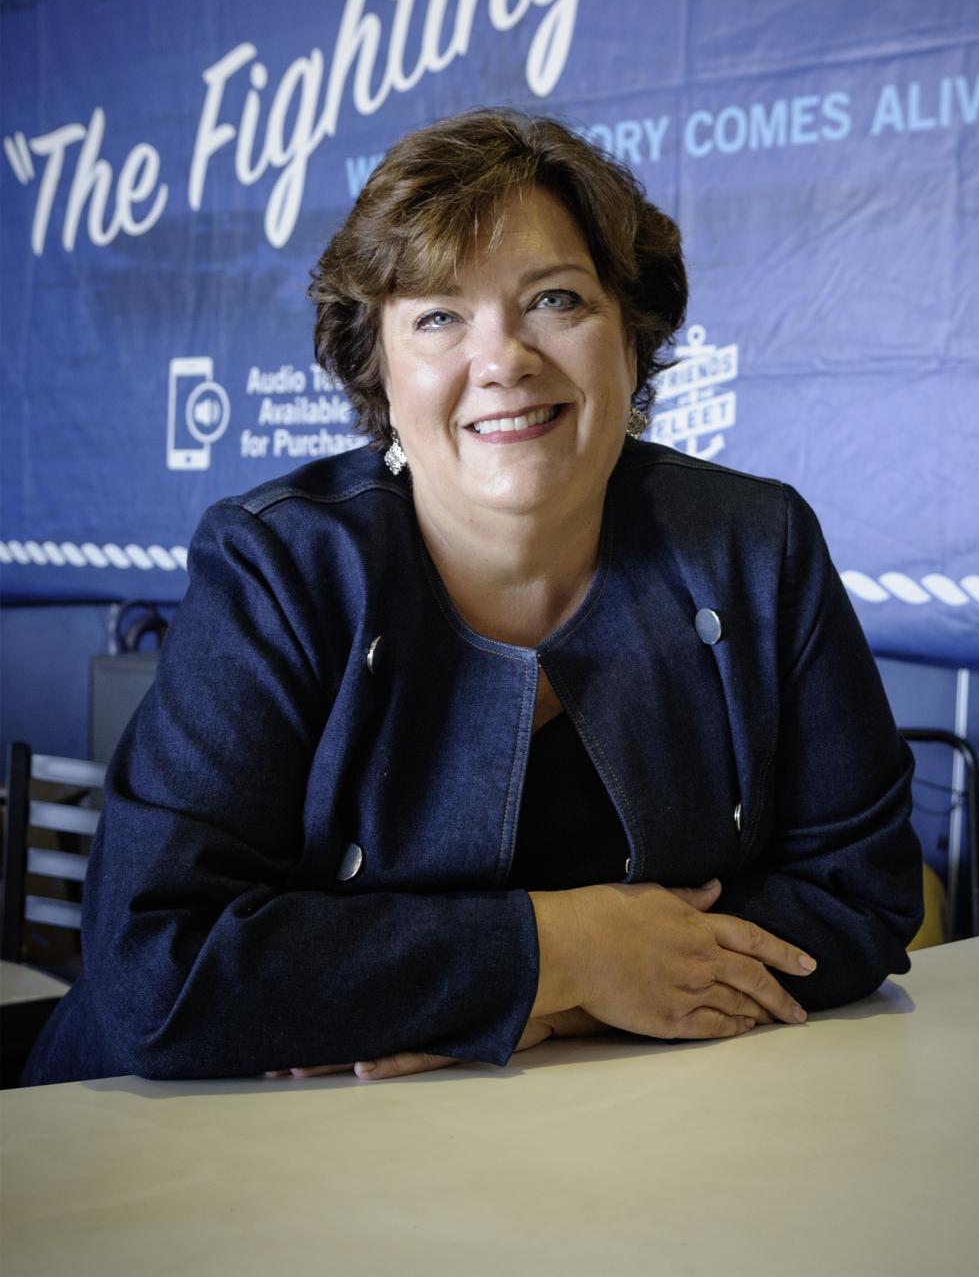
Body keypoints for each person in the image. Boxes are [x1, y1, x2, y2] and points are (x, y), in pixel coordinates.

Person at [25, 109, 922, 1087]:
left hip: (615, 1144)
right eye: (439, 316)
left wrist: (552, 1009)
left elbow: (860, 897)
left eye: (555, 300)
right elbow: (155, 968)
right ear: (378, 367)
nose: (502, 360)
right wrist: (563, 949)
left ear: (634, 334)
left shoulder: (759, 545)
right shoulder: (279, 566)